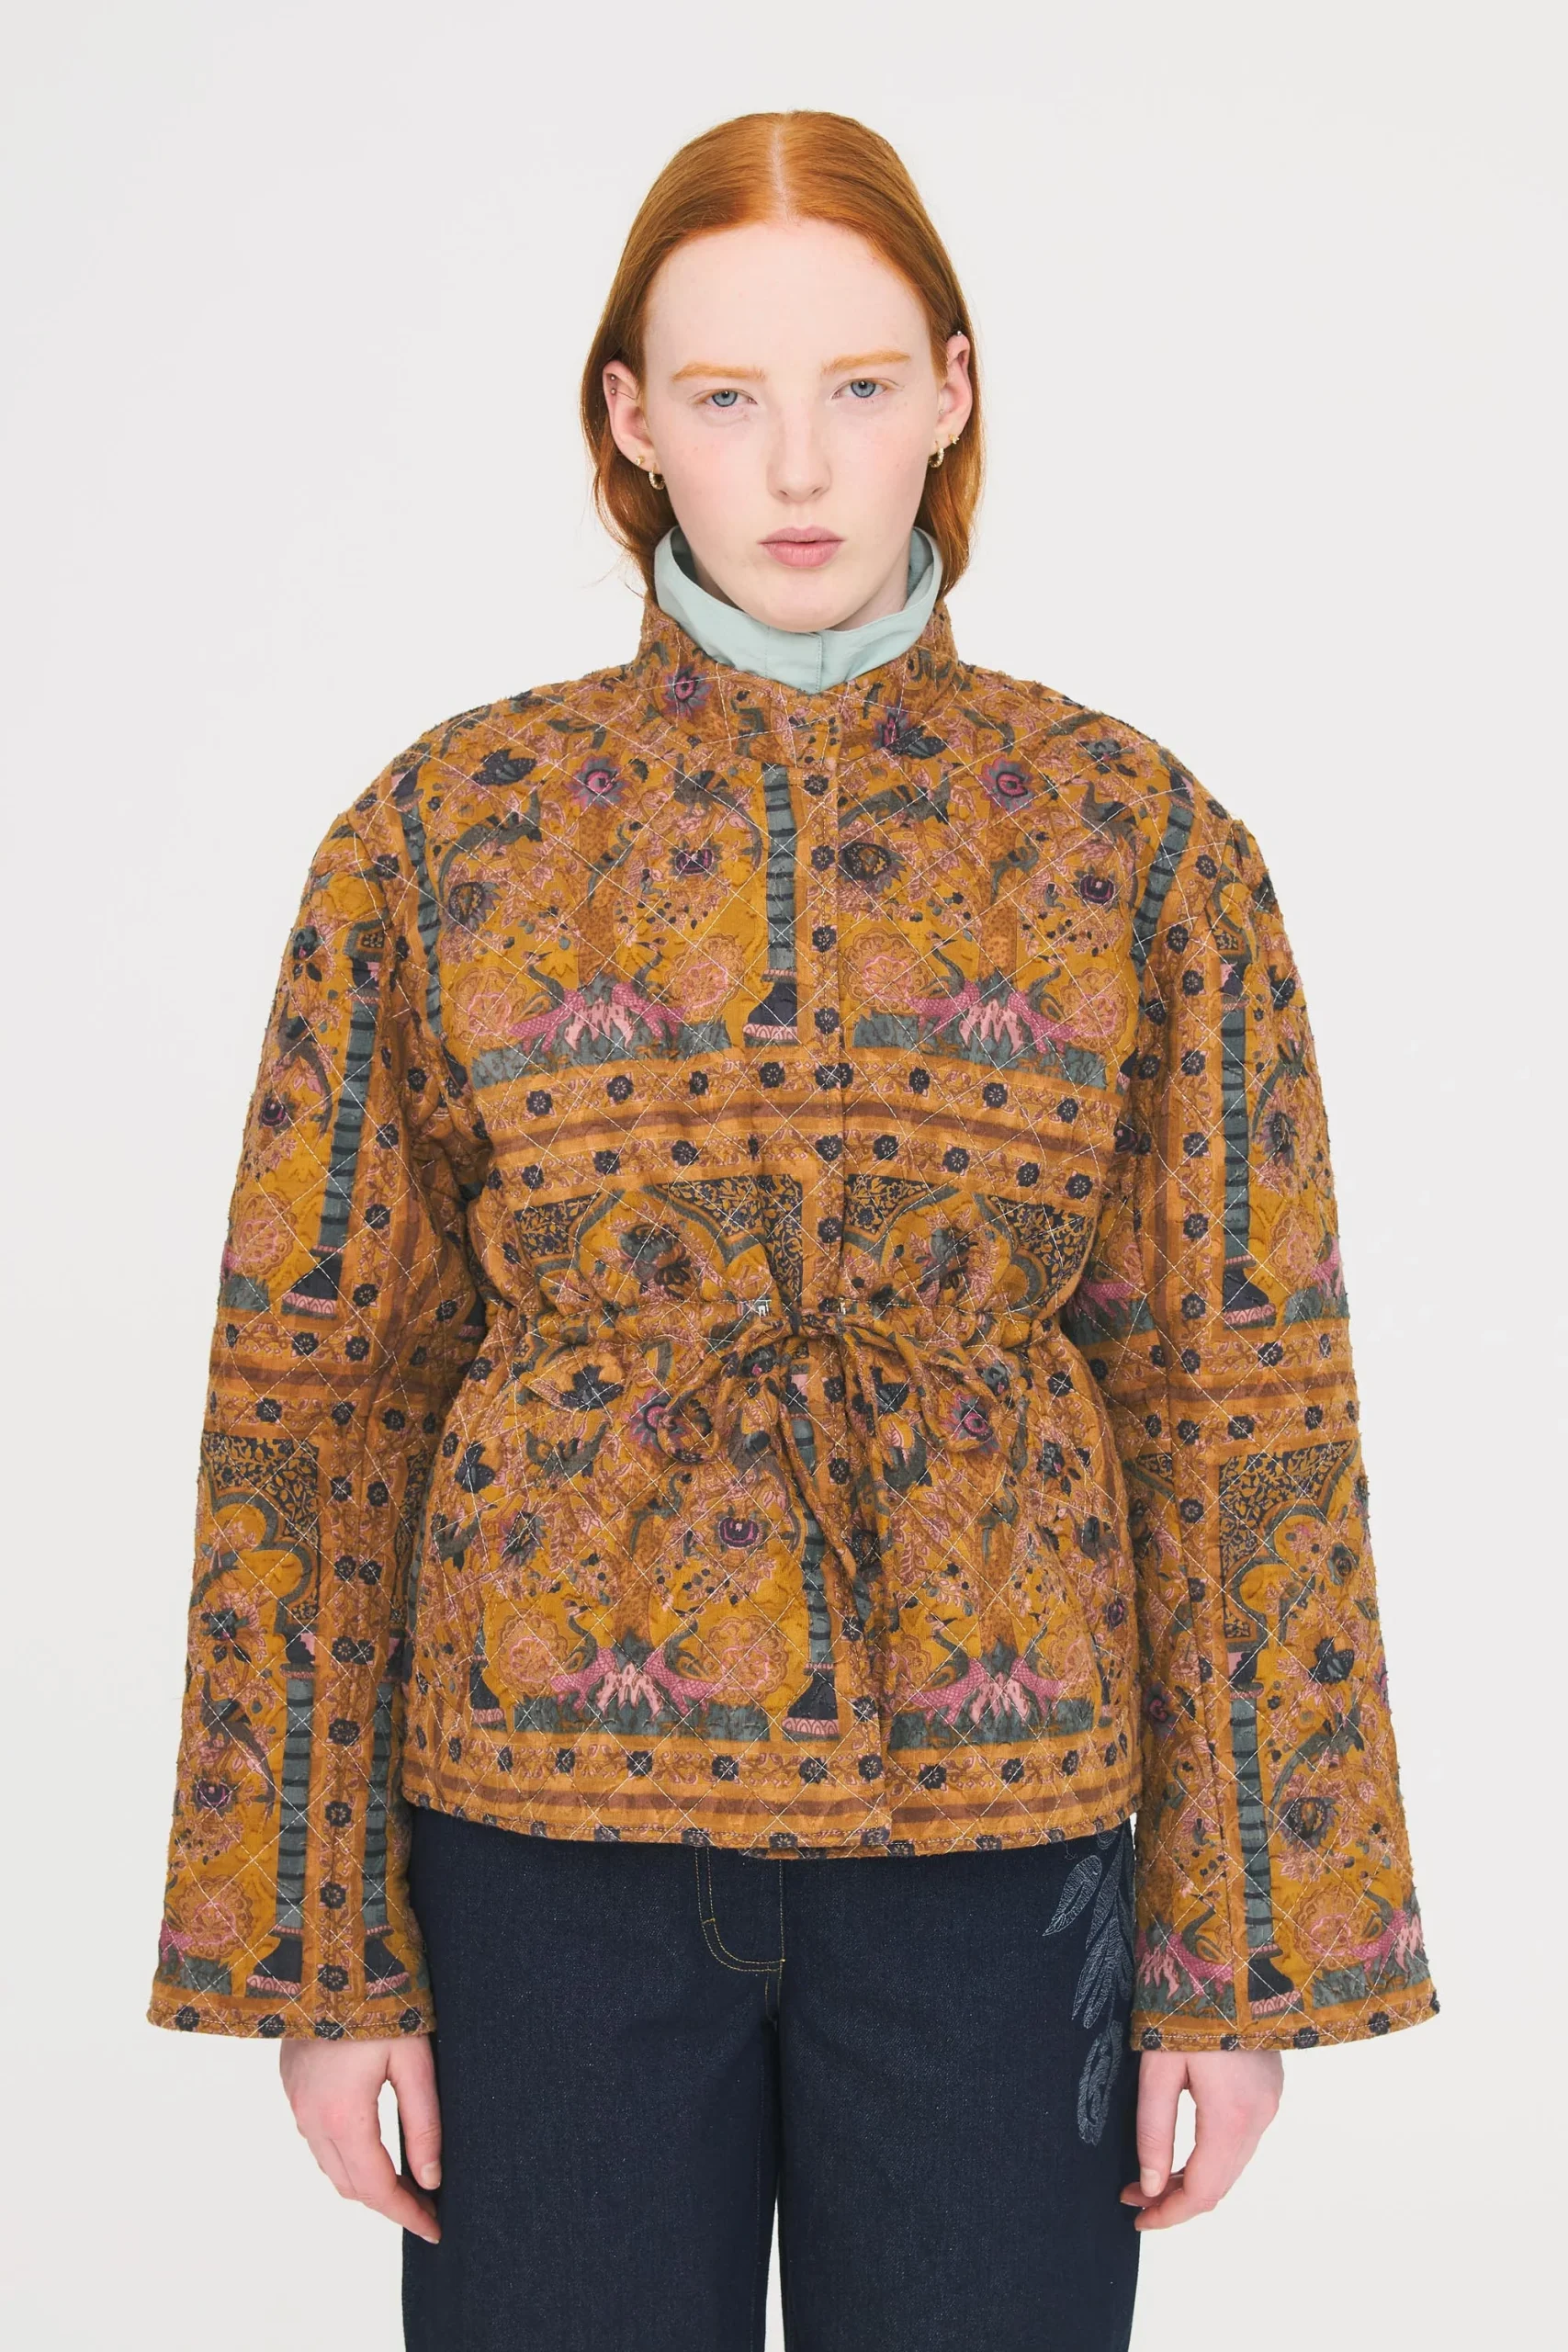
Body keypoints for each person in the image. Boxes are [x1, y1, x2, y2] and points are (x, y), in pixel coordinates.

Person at [148, 108, 1438, 2352]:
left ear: (952, 389)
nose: (801, 463)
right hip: (542, 1861)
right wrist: (319, 1954)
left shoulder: (1139, 843)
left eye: (855, 383)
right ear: (631, 422)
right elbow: (316, 1401)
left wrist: (1238, 1967)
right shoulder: (439, 834)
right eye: (728, 396)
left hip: (1001, 1858)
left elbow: (1238, 1409)